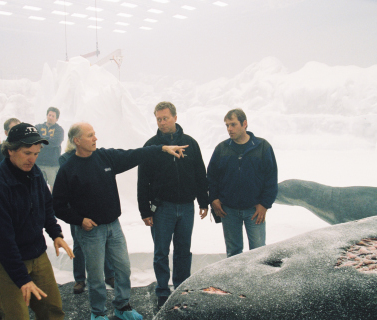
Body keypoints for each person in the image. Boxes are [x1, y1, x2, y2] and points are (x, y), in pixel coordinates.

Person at [53, 122, 187, 320]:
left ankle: (122, 307)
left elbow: (134, 154)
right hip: (91, 231)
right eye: (90, 135)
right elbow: (58, 206)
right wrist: (79, 220)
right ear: (77, 141)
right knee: (97, 277)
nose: (95, 138)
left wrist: (162, 148)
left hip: (113, 226)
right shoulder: (68, 169)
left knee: (123, 269)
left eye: (94, 134)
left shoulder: (105, 157)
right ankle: (98, 314)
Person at [0, 123, 74, 320]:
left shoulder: (35, 173)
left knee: (53, 310)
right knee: (17, 316)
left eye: (37, 153)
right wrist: (22, 279)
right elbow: (1, 240)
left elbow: (46, 204)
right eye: (27, 153)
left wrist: (55, 233)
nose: (33, 159)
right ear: (10, 150)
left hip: (37, 254)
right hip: (7, 260)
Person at [137, 101, 209, 308]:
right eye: (158, 119)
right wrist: (144, 211)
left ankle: (180, 288)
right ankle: (162, 290)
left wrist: (203, 201)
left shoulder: (190, 143)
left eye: (165, 118)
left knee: (183, 251)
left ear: (175, 118)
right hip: (162, 208)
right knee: (161, 252)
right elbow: (143, 181)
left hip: (187, 206)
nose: (161, 123)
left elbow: (199, 173)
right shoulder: (151, 146)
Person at [207, 108, 278, 258]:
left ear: (244, 123)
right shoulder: (222, 148)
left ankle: (257, 282)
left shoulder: (262, 147)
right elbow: (211, 176)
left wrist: (265, 204)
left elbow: (271, 178)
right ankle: (235, 282)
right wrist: (213, 199)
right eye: (227, 125)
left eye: (233, 124)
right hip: (228, 210)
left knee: (258, 253)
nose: (229, 129)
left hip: (255, 210)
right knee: (233, 253)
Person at [59, 142, 115, 294]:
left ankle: (109, 275)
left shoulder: (94, 156)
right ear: (76, 141)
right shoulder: (65, 159)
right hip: (76, 211)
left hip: (97, 209)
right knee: (78, 244)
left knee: (103, 242)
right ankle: (79, 279)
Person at [36, 107, 64, 191]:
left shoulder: (59, 130)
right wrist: (48, 139)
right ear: (46, 115)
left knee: (55, 188)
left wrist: (42, 139)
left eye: (53, 116)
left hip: (53, 164)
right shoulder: (37, 127)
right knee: (39, 188)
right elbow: (34, 140)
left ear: (57, 119)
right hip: (38, 163)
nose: (50, 117)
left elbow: (55, 142)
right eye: (49, 115)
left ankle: (54, 204)